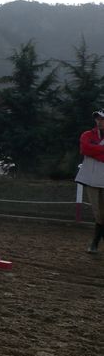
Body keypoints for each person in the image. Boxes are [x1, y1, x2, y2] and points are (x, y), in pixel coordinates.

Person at [75, 108, 104, 253]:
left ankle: (94, 244)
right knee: (98, 213)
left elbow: (90, 150)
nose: (99, 121)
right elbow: (85, 149)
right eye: (98, 118)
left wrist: (95, 151)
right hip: (91, 179)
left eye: (102, 119)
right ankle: (95, 243)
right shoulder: (87, 134)